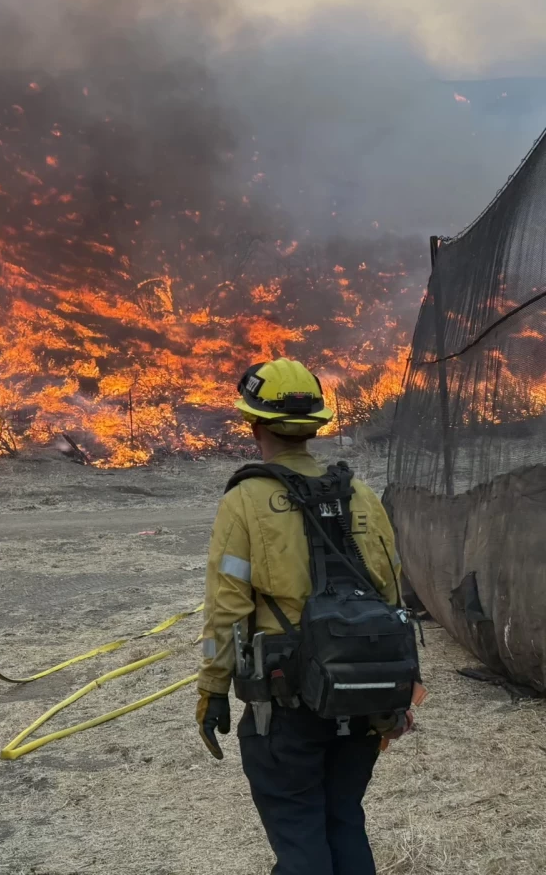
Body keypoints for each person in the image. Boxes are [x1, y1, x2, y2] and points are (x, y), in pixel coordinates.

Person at [196, 357, 410, 875]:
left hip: (285, 705)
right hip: (362, 695)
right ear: (316, 424)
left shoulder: (246, 498)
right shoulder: (359, 493)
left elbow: (227, 606)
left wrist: (213, 689)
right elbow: (392, 593)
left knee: (299, 835)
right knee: (343, 820)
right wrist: (399, 694)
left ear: (254, 423)